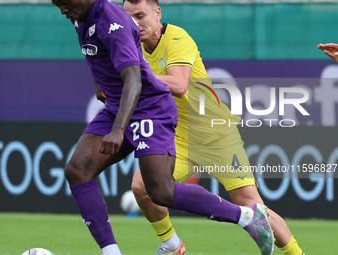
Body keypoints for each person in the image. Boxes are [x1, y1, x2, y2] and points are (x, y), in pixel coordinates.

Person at [51, 0, 275, 255]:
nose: (62, 10)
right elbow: (96, 55)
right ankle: (111, 252)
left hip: (149, 108)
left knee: (160, 191)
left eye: (64, 2)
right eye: (57, 4)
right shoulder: (80, 15)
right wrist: (98, 83)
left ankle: (246, 217)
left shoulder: (114, 23)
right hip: (118, 106)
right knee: (77, 170)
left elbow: (134, 79)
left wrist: (118, 129)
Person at [122, 0, 306, 255]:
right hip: (176, 136)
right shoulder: (132, 46)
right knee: (141, 187)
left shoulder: (177, 38)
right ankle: (170, 244)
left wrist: (134, 76)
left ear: (157, 13)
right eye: (129, 17)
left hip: (215, 134)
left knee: (252, 205)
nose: (135, 23)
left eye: (140, 16)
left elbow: (178, 84)